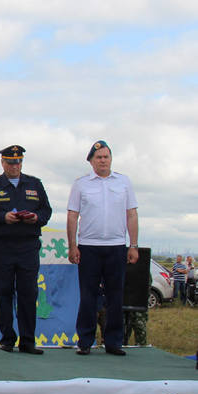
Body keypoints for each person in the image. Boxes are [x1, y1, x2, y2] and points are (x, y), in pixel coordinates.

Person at [0, 145, 52, 354]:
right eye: (10, 163)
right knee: (3, 293)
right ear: (3, 163)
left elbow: (46, 210)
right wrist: (3, 217)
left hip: (28, 247)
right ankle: (7, 339)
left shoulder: (35, 184)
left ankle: (28, 341)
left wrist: (36, 217)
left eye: (18, 162)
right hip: (1, 247)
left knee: (28, 293)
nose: (15, 166)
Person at [67, 140, 139, 356]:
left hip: (116, 246)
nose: (103, 161)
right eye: (98, 157)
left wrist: (133, 245)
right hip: (89, 247)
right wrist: (72, 245)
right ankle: (85, 341)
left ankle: (114, 342)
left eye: (106, 157)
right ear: (91, 161)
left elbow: (131, 214)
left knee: (115, 296)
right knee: (88, 296)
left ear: (111, 159)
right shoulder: (81, 184)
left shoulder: (124, 182)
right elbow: (72, 216)